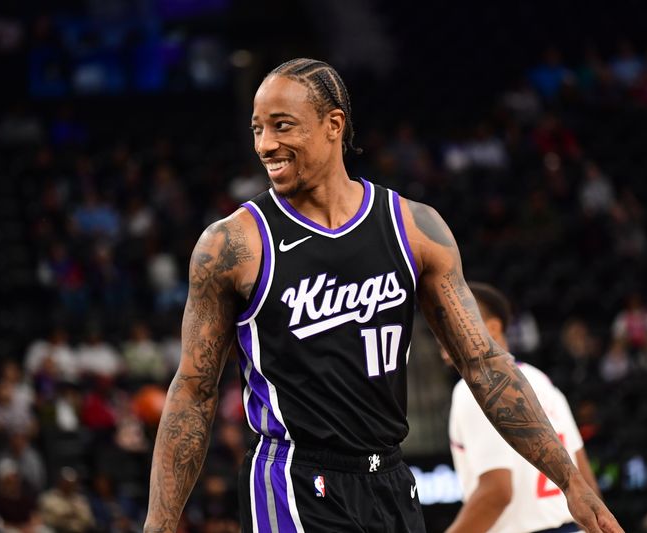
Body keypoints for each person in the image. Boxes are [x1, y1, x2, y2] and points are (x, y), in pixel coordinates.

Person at [144, 57, 621, 533]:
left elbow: (485, 364)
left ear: (334, 125)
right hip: (293, 479)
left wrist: (571, 481)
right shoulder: (233, 245)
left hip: (390, 478)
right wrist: (159, 525)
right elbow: (193, 390)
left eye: (282, 126)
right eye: (257, 129)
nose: (266, 144)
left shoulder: (414, 228)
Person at [445, 282, 600, 533]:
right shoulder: (543, 381)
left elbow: (497, 493)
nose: (441, 333)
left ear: (492, 328)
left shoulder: (472, 389)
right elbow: (585, 481)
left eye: (449, 323)